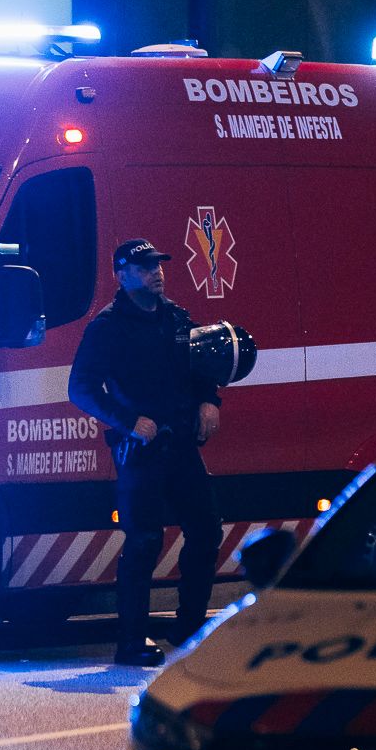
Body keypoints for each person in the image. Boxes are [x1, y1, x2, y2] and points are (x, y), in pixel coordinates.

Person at [68, 238, 227, 667]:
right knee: (143, 541)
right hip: (139, 450)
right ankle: (131, 643)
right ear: (121, 275)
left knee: (207, 530)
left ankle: (190, 627)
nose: (157, 272)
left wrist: (210, 399)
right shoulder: (108, 326)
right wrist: (127, 420)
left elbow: (198, 371)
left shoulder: (176, 318)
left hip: (179, 444)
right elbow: (80, 388)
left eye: (158, 265)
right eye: (145, 267)